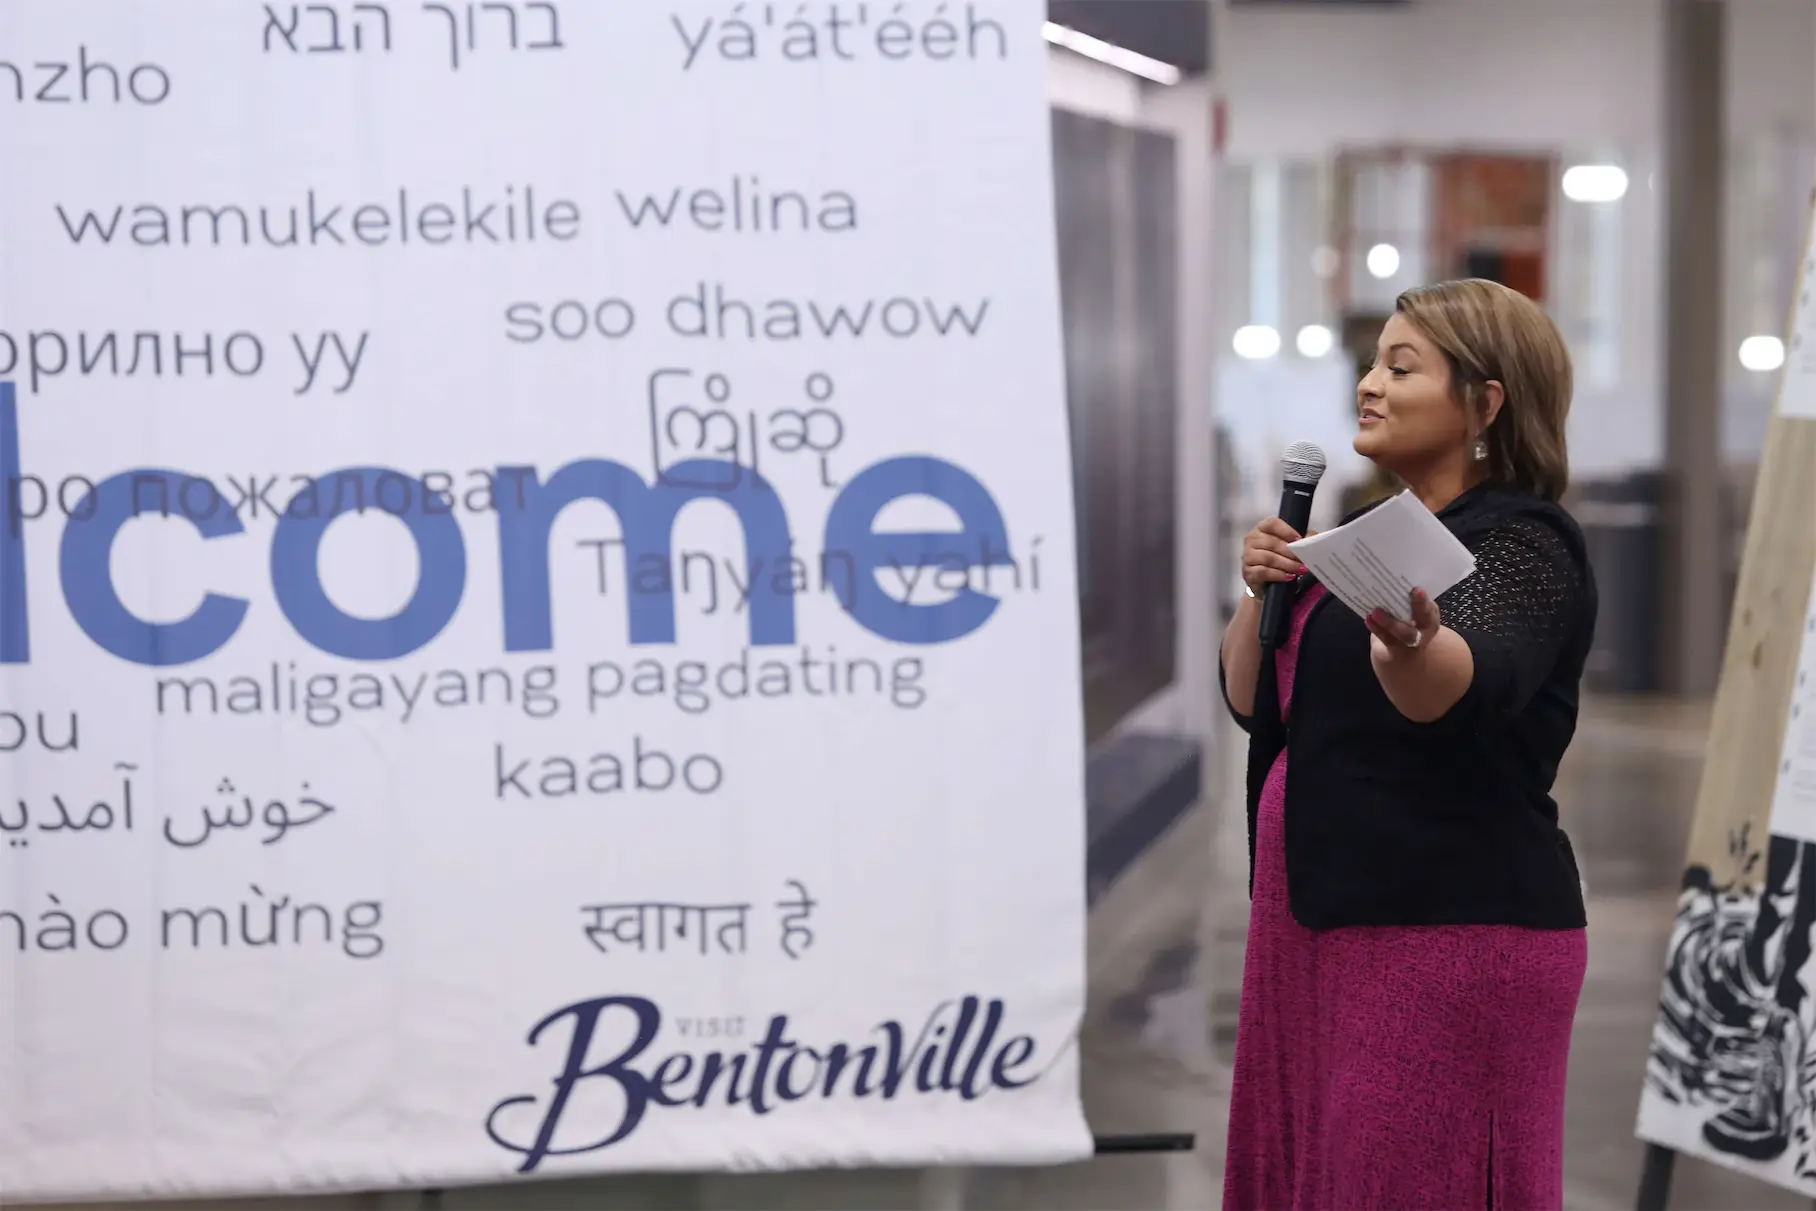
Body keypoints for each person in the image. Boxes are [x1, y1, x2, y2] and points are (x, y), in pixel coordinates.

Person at [1219, 278, 1596, 1210]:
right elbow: (1253, 700)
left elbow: (1464, 682)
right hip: (1316, 926)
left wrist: (1413, 646)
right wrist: (1260, 590)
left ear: (1485, 402)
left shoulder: (1525, 542)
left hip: (1445, 933)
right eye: (1371, 364)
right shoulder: (1362, 539)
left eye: (1401, 367)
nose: (1369, 385)